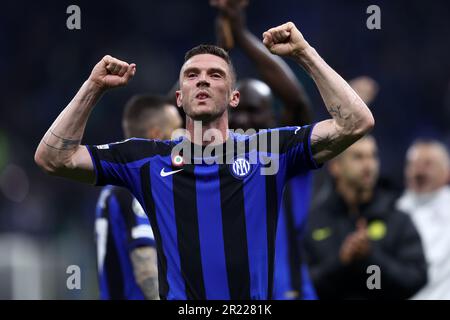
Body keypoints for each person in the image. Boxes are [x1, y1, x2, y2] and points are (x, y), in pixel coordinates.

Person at [34, 21, 374, 300]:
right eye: (193, 74)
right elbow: (53, 157)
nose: (203, 80)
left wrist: (305, 54)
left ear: (233, 96)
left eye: (216, 75)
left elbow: (356, 122)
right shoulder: (145, 158)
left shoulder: (269, 149)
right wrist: (93, 87)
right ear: (179, 98)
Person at [211, 0, 316, 300]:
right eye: (237, 111)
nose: (243, 119)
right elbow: (172, 112)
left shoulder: (286, 156)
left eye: (254, 111)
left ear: (275, 119)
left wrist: (241, 36)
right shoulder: (209, 159)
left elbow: (296, 103)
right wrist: (219, 53)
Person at [304, 136, 427, 299]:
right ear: (335, 167)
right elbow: (298, 284)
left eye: (373, 156)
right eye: (358, 157)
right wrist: (341, 263)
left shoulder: (398, 219)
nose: (369, 165)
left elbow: (415, 280)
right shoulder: (313, 221)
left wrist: (371, 257)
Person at [95, 95, 182, 300]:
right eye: (177, 130)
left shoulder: (113, 187)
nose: (182, 138)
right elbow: (145, 267)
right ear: (157, 136)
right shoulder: (135, 187)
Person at [397, 140, 450, 299]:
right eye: (414, 164)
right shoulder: (394, 211)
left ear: (446, 171)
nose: (419, 171)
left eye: (428, 164)